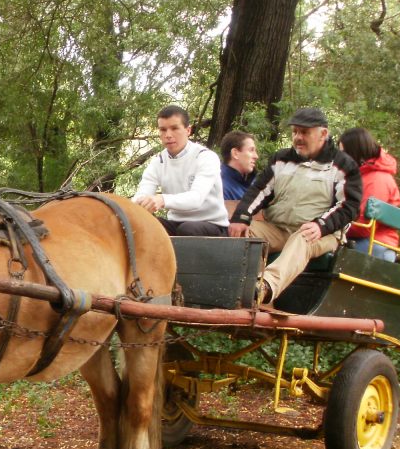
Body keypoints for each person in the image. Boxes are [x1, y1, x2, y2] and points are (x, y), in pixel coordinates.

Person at [229, 107, 363, 305]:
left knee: (303, 237)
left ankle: (263, 288)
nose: (298, 137)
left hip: (321, 234)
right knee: (242, 232)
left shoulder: (343, 165)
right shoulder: (282, 159)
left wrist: (321, 225)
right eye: (295, 132)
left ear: (323, 134)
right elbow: (259, 190)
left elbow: (349, 206)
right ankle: (236, 292)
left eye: (305, 132)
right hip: (279, 228)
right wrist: (241, 217)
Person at [132, 105, 230, 236]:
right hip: (176, 223)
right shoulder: (158, 162)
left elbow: (196, 198)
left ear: (188, 130)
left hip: (212, 225)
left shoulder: (205, 157)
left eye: (174, 128)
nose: (168, 135)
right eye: (163, 130)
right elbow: (142, 194)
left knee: (187, 230)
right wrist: (139, 204)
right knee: (139, 224)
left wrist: (162, 200)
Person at [339, 127, 400, 262]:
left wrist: (330, 226)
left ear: (354, 152)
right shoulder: (363, 176)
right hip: (363, 240)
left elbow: (364, 226)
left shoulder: (376, 179)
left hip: (374, 244)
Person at [219, 131, 259, 200]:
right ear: (235, 153)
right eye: (251, 150)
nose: (256, 156)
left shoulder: (254, 185)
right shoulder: (220, 187)